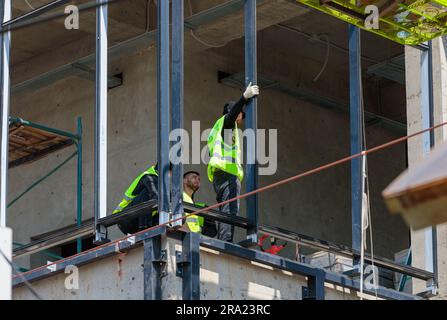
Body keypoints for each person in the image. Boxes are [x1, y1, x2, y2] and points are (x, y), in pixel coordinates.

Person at [207, 82, 260, 242]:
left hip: (221, 176)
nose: (241, 118)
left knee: (227, 209)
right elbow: (231, 117)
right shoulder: (226, 124)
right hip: (227, 175)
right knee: (230, 210)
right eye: (240, 114)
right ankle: (225, 243)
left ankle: (225, 241)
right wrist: (244, 97)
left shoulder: (223, 131)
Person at [113, 162, 172, 235]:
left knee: (166, 197)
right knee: (150, 194)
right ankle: (144, 227)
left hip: (136, 220)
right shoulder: (148, 177)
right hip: (125, 219)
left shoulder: (161, 184)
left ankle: (154, 228)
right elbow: (155, 197)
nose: (171, 176)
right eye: (171, 173)